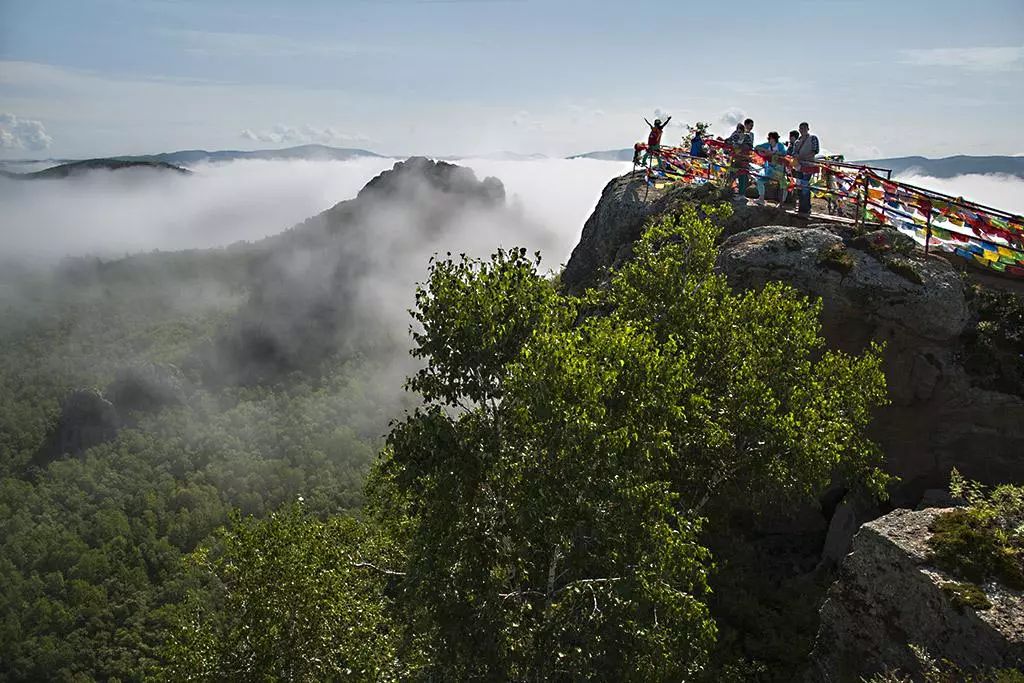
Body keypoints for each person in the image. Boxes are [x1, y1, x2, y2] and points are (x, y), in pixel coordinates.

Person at [792, 121, 820, 214]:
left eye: (804, 128)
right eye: (801, 128)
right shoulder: (797, 141)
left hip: (809, 166)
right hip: (799, 166)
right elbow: (794, 153)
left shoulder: (813, 138)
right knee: (799, 187)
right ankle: (801, 206)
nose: (802, 130)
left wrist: (803, 157)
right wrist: (797, 158)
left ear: (808, 129)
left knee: (805, 186)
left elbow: (815, 151)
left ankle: (806, 208)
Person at [754, 131, 788, 206]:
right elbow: (756, 147)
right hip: (769, 170)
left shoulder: (780, 145)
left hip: (779, 170)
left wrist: (773, 153)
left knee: (784, 185)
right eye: (769, 139)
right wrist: (766, 151)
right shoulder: (767, 145)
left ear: (775, 139)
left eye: (771, 138)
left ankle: (781, 203)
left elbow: (784, 153)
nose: (770, 140)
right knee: (759, 180)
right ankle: (761, 198)